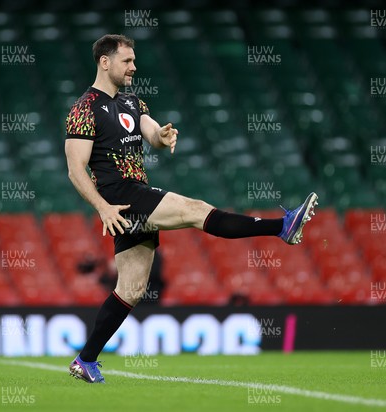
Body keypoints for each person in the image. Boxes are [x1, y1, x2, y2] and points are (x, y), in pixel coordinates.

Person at [64, 34, 318, 384]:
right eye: (127, 61)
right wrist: (102, 207)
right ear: (104, 62)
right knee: (195, 210)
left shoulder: (132, 102)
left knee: (132, 289)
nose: (134, 66)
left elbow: (149, 131)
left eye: (134, 60)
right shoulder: (84, 108)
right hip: (121, 194)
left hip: (132, 196)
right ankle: (281, 227)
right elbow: (75, 169)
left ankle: (85, 360)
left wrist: (162, 136)